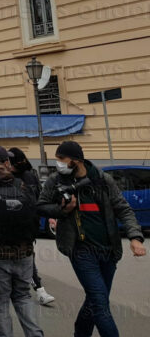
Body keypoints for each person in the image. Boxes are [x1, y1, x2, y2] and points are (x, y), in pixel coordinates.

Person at [38, 141, 146, 337]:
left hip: (108, 249)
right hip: (81, 250)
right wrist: (63, 210)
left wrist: (135, 237)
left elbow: (123, 208)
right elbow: (41, 206)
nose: (58, 163)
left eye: (62, 159)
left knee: (96, 299)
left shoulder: (103, 180)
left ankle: (80, 333)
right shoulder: (55, 181)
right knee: (100, 303)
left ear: (76, 160)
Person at [0, 147, 44, 337]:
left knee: (0, 303)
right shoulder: (22, 185)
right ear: (4, 163)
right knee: (23, 297)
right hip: (25, 252)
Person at [9, 147, 56, 305]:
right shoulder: (6, 177)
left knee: (26, 256)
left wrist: (50, 217)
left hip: (30, 225)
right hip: (13, 224)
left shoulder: (30, 176)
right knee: (24, 257)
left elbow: (41, 198)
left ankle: (36, 288)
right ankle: (39, 290)